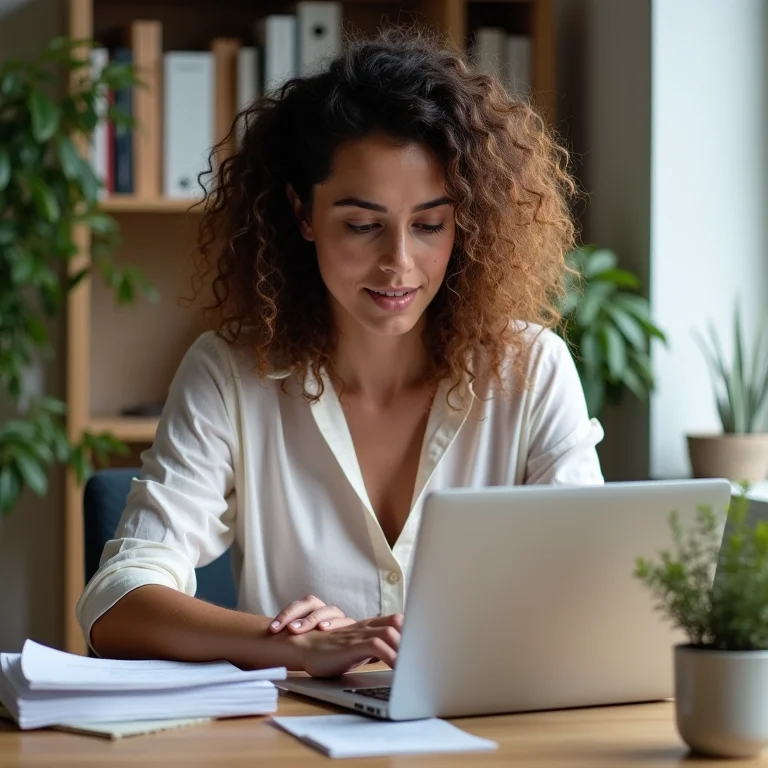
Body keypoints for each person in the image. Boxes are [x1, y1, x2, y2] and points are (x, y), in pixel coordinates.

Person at [77, 28, 604, 678]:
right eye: (362, 225)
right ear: (302, 214)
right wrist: (290, 646)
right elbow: (117, 604)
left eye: (430, 225)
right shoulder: (230, 374)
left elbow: (589, 597)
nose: (399, 264)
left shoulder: (532, 371)